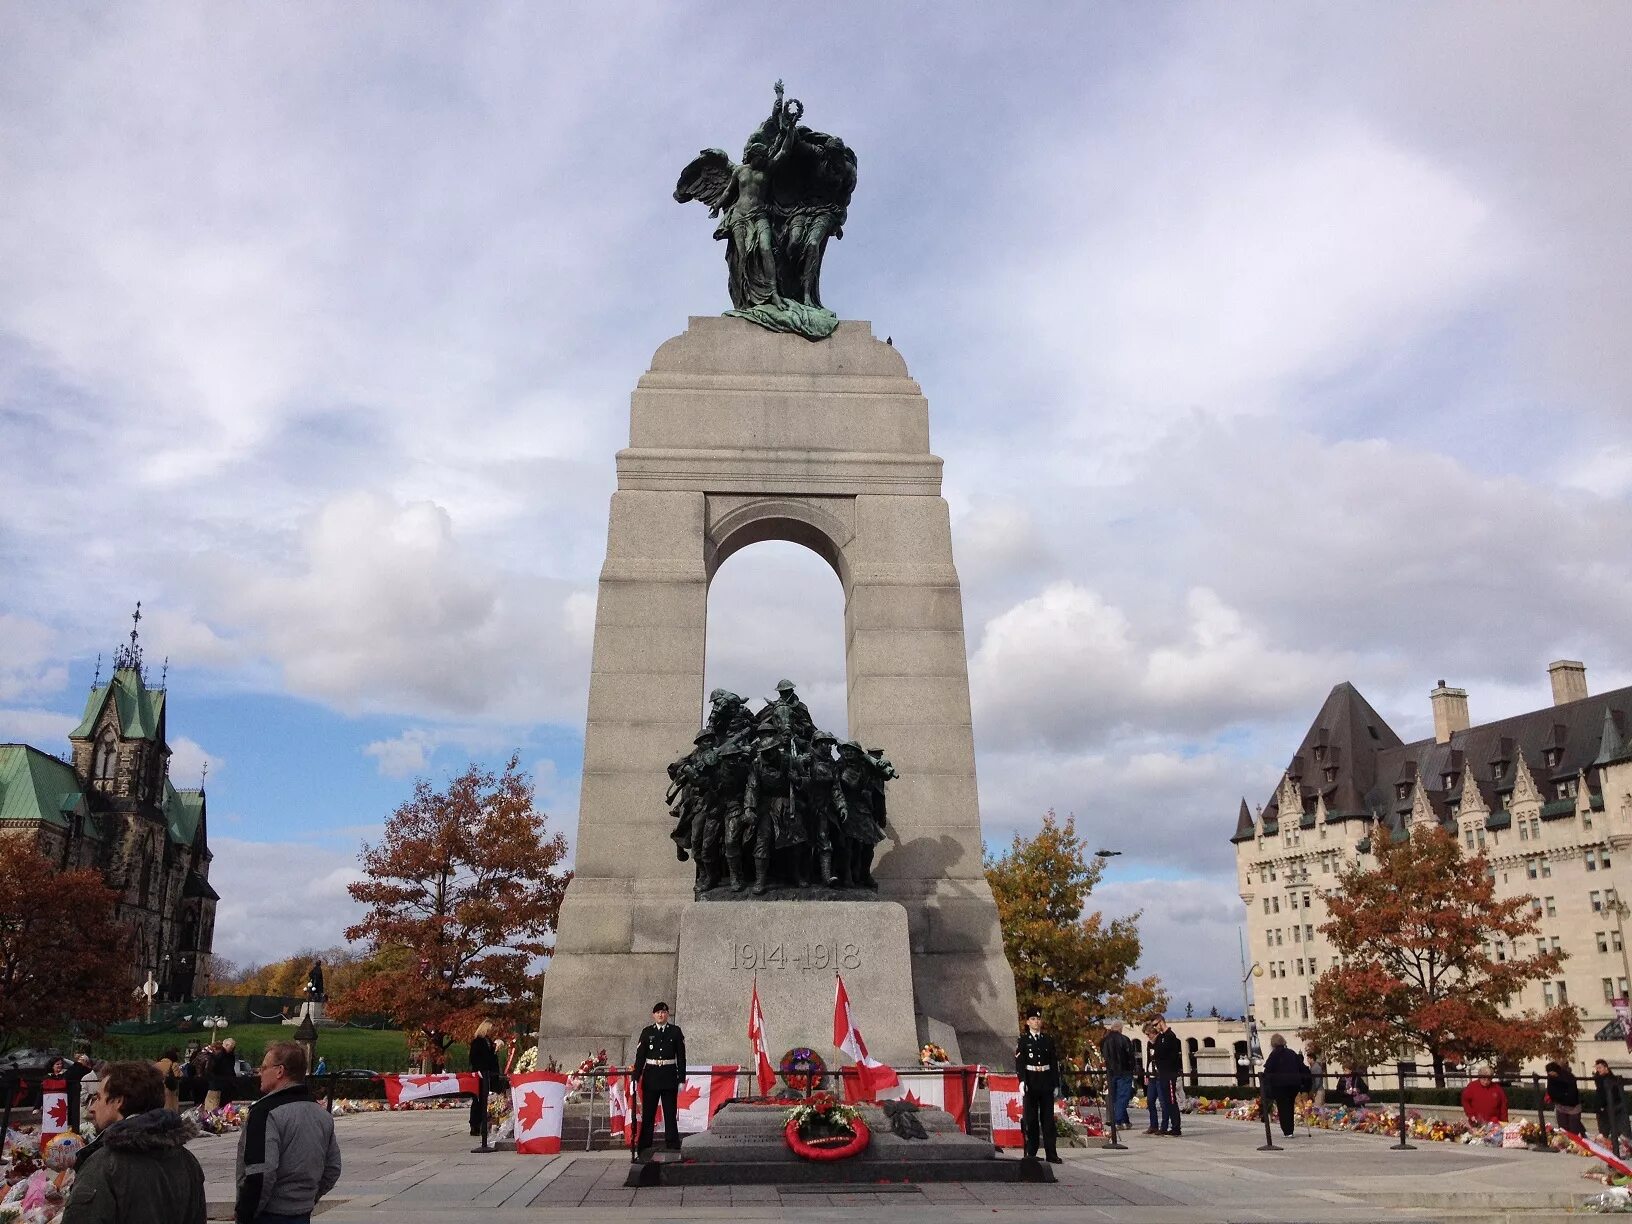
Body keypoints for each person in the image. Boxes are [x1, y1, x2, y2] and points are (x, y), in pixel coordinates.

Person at [62, 1059, 206, 1224]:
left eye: (98, 1098)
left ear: (118, 1101)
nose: (92, 1107)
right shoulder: (187, 1161)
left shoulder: (105, 1164)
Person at [235, 1041, 341, 1224]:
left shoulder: (264, 1113)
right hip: (302, 1212)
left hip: (268, 1214)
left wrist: (245, 1215)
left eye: (264, 1067)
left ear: (279, 1071)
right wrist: (309, 1197)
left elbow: (260, 1173)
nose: (260, 1072)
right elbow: (332, 1168)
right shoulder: (321, 1114)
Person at [632, 1002, 686, 1159]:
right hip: (651, 1076)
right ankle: (644, 1148)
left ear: (667, 1014)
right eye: (658, 1013)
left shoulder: (675, 1032)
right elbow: (640, 1057)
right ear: (653, 1015)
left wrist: (681, 1078)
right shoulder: (647, 1032)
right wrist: (636, 1077)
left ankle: (673, 1146)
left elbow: (681, 1057)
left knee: (670, 1114)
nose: (661, 1015)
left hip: (669, 1076)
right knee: (648, 1114)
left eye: (663, 1012)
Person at [1014, 1006, 1063, 1163]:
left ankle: (1051, 1153)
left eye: (1038, 1019)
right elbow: (1020, 1062)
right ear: (1028, 1022)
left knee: (1048, 1120)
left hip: (1046, 1081)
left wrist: (1055, 1083)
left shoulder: (1047, 1040)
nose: (1036, 1022)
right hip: (1031, 1082)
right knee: (1032, 1120)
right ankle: (1032, 1152)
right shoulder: (1023, 1040)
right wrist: (1022, 1081)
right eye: (1033, 1019)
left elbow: (1053, 1062)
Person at [1261, 1034, 1309, 1137]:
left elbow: (1268, 1070)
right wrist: (1304, 1085)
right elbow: (1303, 1068)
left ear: (1273, 1044)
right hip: (1293, 1084)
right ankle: (1290, 1130)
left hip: (1280, 1085)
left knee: (1283, 1107)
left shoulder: (1274, 1055)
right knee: (1290, 1106)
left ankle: (1287, 1131)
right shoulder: (1291, 1053)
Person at [1099, 1020, 1138, 1133]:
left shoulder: (1104, 1041)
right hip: (1124, 1071)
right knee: (1123, 1097)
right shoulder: (1125, 1039)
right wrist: (1132, 1069)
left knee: (1116, 1097)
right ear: (1120, 1028)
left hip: (1111, 1072)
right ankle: (1117, 1120)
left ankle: (1125, 1121)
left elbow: (1104, 1056)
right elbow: (1130, 1057)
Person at [1150, 1018, 1184, 1137]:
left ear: (1161, 1022)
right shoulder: (1161, 1037)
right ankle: (1171, 1126)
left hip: (1169, 1073)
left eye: (1155, 1024)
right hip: (1163, 1073)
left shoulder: (1170, 1036)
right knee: (1166, 1101)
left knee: (1171, 1100)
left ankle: (1176, 1128)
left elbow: (1171, 1055)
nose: (1155, 1027)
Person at [467, 1020, 501, 1137]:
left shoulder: (488, 1041)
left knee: (483, 1099)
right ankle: (474, 1125)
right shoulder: (478, 1042)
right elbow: (474, 1058)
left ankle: (482, 1124)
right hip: (480, 1074)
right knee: (478, 1100)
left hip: (488, 1073)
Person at [1595, 1059, 1631, 1153]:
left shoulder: (1612, 1079)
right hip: (1603, 1111)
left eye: (1600, 1068)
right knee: (1605, 1132)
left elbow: (1613, 1095)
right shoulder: (1599, 1079)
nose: (1598, 1070)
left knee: (1619, 1132)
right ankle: (1611, 1148)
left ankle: (1620, 1149)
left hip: (1613, 1108)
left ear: (1606, 1067)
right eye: (1597, 1068)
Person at [1545, 1061, 1585, 1136]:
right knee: (1563, 1129)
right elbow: (1551, 1091)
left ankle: (1576, 1139)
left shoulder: (1568, 1078)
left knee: (1573, 1130)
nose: (1551, 1075)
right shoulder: (1551, 1078)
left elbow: (1572, 1094)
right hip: (1561, 1106)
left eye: (1551, 1073)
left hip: (1572, 1106)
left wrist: (1561, 1098)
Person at [205, 1038, 237, 1113]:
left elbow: (211, 1069)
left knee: (215, 1108)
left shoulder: (222, 1055)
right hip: (222, 1085)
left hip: (219, 1085)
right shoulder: (227, 1056)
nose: (232, 1048)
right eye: (231, 1047)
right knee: (219, 1108)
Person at [152, 1048, 183, 1114]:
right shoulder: (175, 1065)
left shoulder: (155, 1066)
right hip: (172, 1093)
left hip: (159, 1095)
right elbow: (180, 1076)